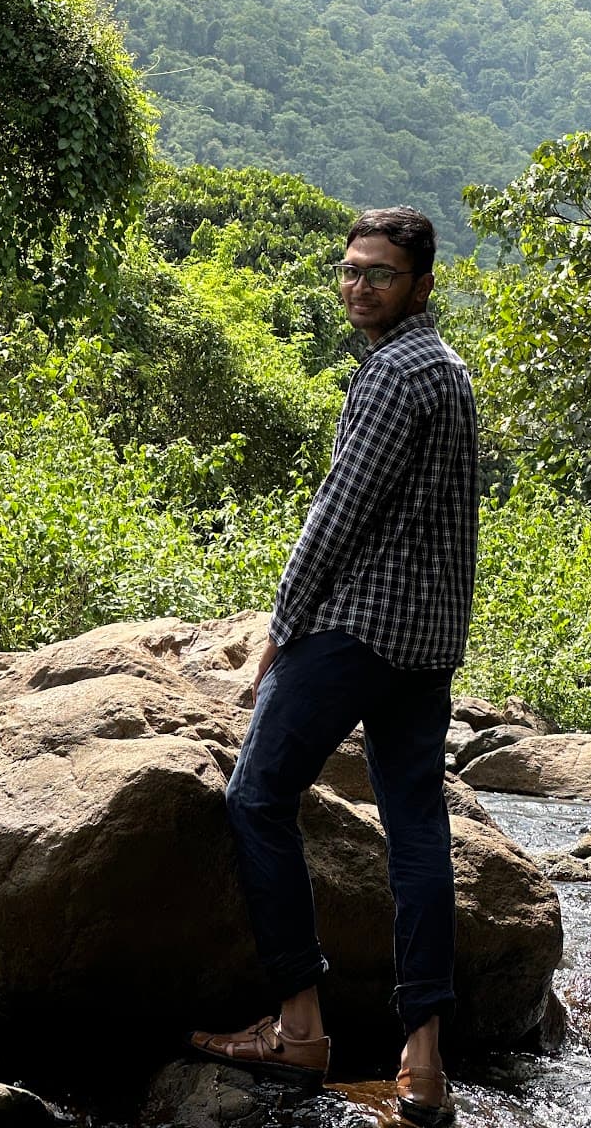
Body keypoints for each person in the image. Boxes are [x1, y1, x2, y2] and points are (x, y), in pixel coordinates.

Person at [191, 206, 479, 1128]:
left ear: (422, 284)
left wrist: (281, 623)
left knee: (256, 798)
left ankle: (300, 1023)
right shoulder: (451, 372)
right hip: (428, 646)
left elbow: (336, 515)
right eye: (350, 271)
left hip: (357, 633)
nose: (359, 287)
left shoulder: (394, 375)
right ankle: (423, 1060)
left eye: (380, 274)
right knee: (418, 838)